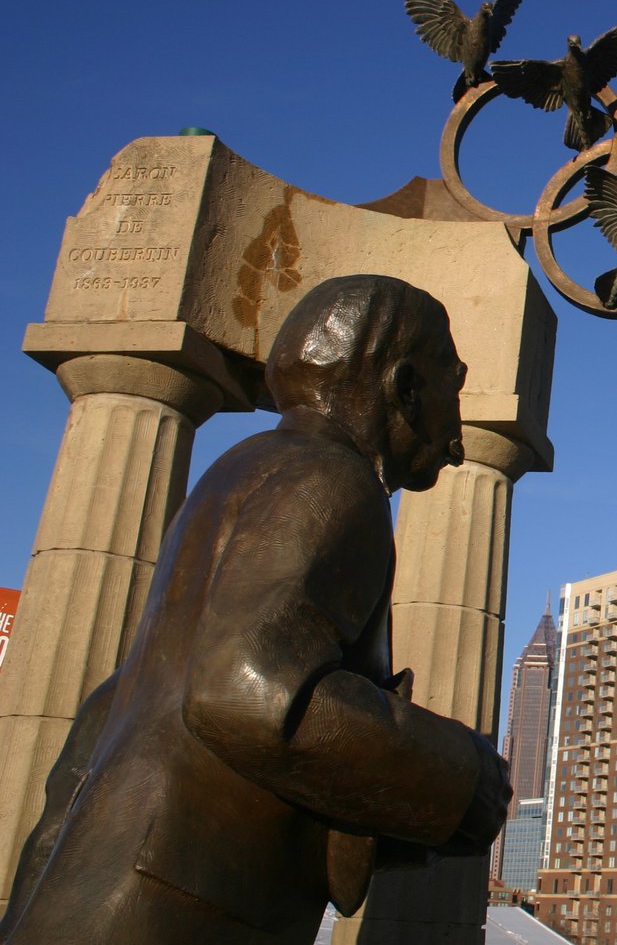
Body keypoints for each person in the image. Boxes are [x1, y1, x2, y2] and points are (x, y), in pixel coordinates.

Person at [2, 275, 511, 944]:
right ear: (405, 387)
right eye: (456, 383)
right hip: (184, 906)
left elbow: (108, 712)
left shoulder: (241, 472)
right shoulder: (330, 479)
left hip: (93, 890)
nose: (458, 424)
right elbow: (244, 694)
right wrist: (462, 777)